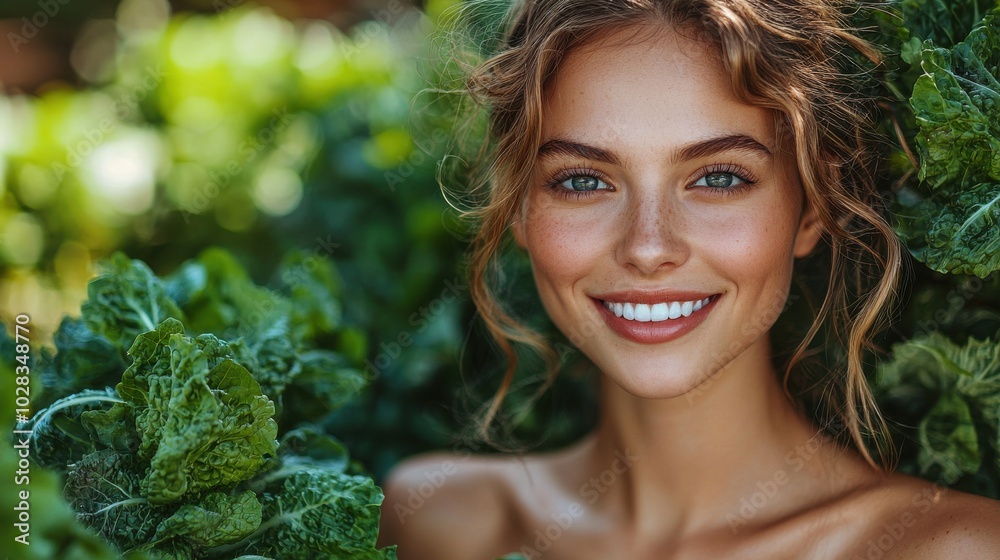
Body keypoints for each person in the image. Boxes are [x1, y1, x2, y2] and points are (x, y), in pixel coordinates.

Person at [377, 0, 1000, 558]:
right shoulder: (437, 522)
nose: (648, 248)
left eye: (719, 177)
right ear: (516, 206)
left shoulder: (954, 548)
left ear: (812, 206)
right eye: (583, 181)